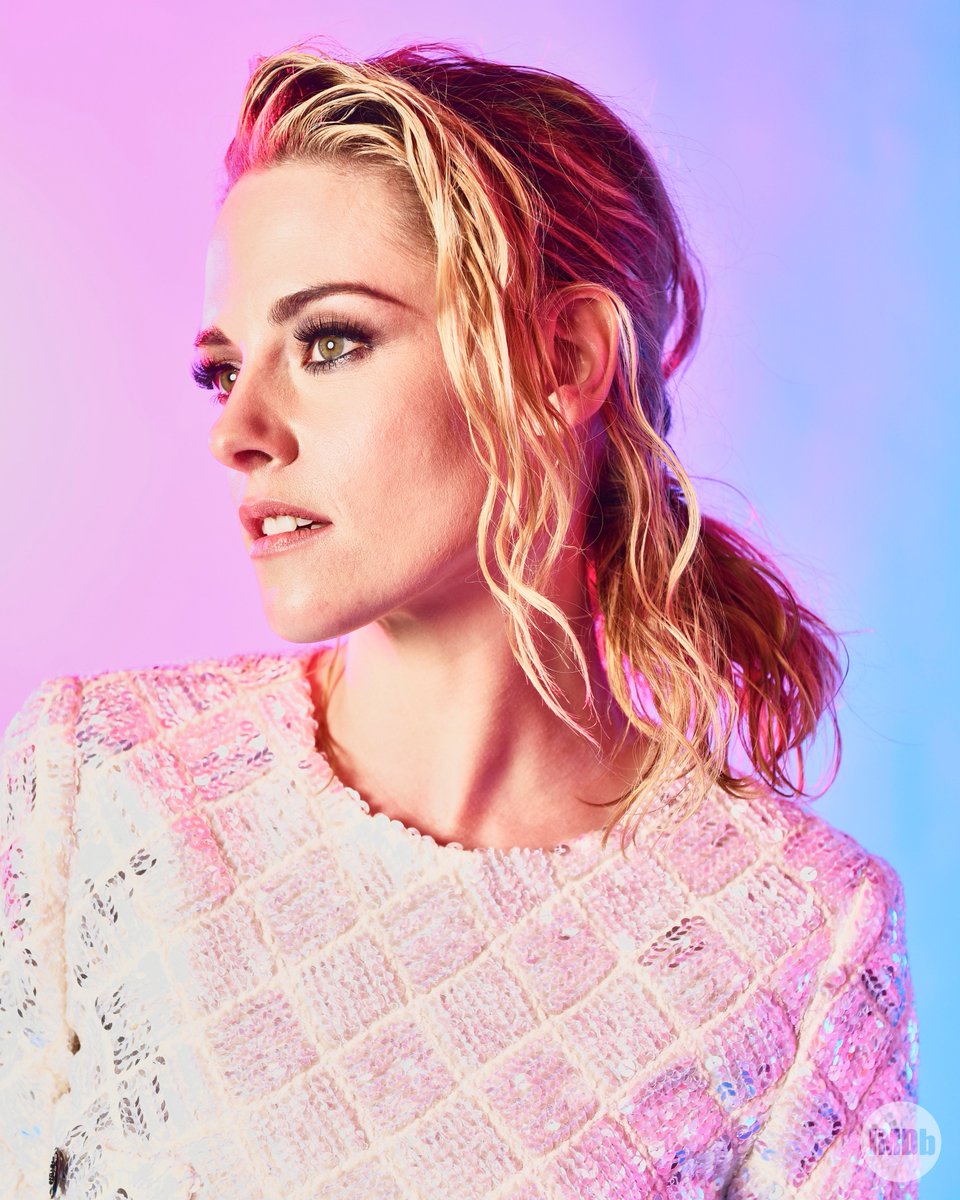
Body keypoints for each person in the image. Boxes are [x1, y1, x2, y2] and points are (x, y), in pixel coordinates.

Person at [0, 39, 918, 1200]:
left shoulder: (798, 940)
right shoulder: (99, 786)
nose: (238, 431)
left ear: (563, 358)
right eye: (224, 370)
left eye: (330, 342)